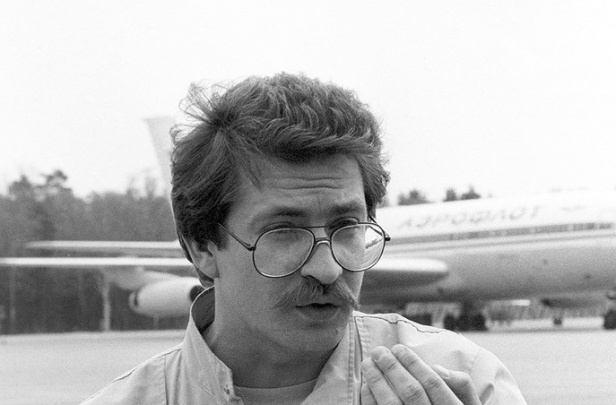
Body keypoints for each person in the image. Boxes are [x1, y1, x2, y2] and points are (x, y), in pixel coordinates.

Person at [82, 73, 526, 404]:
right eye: (284, 232)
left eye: (346, 227)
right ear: (202, 247)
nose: (328, 268)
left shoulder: (462, 382)